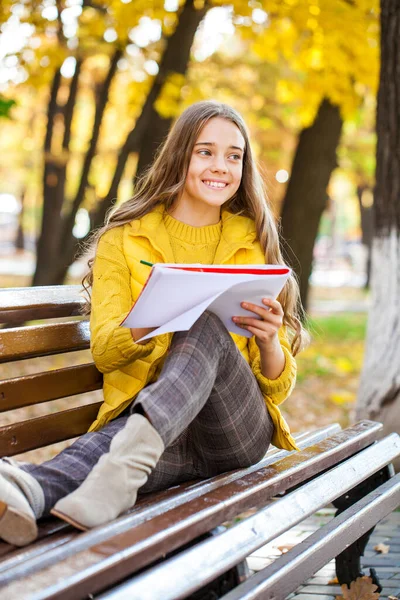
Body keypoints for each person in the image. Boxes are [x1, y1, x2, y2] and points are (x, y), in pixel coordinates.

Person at [0, 101, 306, 547]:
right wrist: (155, 316)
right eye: (205, 152)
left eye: (233, 156)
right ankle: (28, 491)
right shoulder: (124, 240)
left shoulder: (252, 241)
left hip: (233, 431)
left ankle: (113, 469)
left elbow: (276, 388)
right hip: (159, 430)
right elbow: (106, 351)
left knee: (203, 324)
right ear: (180, 155)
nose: (221, 166)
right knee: (109, 454)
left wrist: (270, 343)